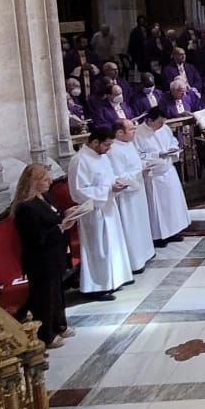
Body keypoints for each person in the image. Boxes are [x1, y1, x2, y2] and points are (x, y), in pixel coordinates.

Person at [11, 164, 78, 346]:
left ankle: (60, 325)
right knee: (44, 297)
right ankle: (46, 334)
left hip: (54, 254)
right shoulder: (25, 208)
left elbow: (52, 218)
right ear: (34, 183)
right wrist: (61, 227)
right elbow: (35, 238)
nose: (50, 182)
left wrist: (66, 214)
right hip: (40, 259)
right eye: (45, 179)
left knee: (57, 293)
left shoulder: (45, 198)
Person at [66, 128, 134, 299]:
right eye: (106, 144)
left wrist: (116, 183)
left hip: (108, 206)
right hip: (93, 211)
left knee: (112, 246)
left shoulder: (101, 157)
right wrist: (108, 189)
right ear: (94, 142)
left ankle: (113, 280)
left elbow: (107, 178)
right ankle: (96, 287)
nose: (109, 149)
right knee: (98, 248)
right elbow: (78, 191)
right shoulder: (80, 160)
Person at [135, 107, 192, 245]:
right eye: (159, 123)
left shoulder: (164, 128)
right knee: (157, 208)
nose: (162, 126)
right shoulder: (138, 134)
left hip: (168, 170)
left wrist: (173, 149)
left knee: (172, 204)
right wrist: (157, 154)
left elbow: (173, 141)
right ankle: (159, 236)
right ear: (150, 120)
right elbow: (137, 156)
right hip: (153, 176)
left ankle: (174, 231)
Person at [107, 121, 156, 272]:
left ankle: (146, 253)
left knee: (141, 223)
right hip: (127, 196)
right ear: (119, 133)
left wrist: (144, 166)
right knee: (132, 225)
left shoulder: (128, 144)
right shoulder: (114, 150)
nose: (134, 131)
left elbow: (135, 163)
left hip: (138, 190)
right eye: (130, 129)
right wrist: (139, 171)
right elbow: (119, 175)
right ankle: (135, 260)